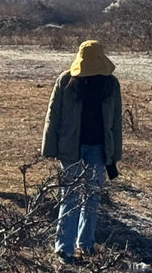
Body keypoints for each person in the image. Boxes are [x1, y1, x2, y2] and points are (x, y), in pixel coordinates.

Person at [41, 39, 123, 260]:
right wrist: (49, 147)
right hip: (70, 148)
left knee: (92, 196)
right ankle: (63, 248)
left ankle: (86, 244)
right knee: (69, 196)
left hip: (98, 148)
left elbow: (116, 120)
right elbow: (53, 115)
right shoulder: (65, 81)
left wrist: (114, 154)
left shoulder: (111, 85)